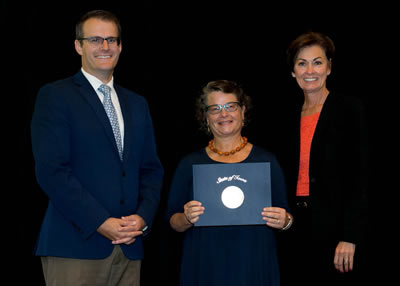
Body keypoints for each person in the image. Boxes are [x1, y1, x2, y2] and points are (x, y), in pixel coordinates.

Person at [31, 10, 163, 285]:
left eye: (112, 40)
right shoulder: (56, 96)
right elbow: (52, 171)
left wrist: (142, 218)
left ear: (121, 46)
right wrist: (101, 222)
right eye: (95, 40)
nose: (105, 47)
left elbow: (151, 170)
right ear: (78, 45)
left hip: (129, 248)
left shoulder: (137, 104)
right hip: (75, 246)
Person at [167, 80, 293, 286]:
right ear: (205, 117)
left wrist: (284, 221)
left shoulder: (266, 160)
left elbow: (287, 218)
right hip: (206, 267)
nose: (223, 114)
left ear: (243, 112)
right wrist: (186, 218)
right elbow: (172, 221)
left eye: (230, 106)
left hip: (254, 267)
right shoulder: (189, 163)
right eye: (215, 109)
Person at [280, 31, 369, 285]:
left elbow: (360, 175)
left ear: (329, 68)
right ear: (293, 72)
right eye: (301, 63)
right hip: (294, 226)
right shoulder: (288, 116)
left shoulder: (349, 108)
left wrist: (350, 235)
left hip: (335, 228)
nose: (310, 70)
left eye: (317, 62)